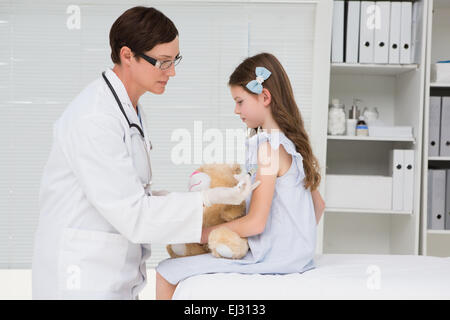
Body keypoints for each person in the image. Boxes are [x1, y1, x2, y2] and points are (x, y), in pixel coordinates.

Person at [31, 6, 258, 300]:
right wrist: (205, 206)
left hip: (113, 276)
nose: (172, 72)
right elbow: (134, 214)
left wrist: (206, 201)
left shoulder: (129, 110)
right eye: (163, 62)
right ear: (128, 56)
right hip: (82, 279)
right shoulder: (94, 118)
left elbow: (133, 194)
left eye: (174, 60)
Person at [155, 52, 326, 300]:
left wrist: (200, 234)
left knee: (166, 271)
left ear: (264, 97)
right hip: (298, 257)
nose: (236, 110)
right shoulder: (290, 144)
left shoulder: (267, 148)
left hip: (274, 258)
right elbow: (318, 205)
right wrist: (293, 240)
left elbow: (256, 223)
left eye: (240, 101)